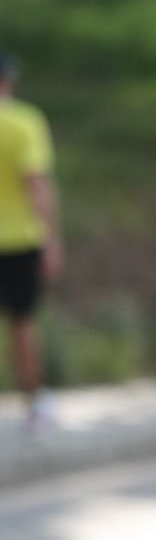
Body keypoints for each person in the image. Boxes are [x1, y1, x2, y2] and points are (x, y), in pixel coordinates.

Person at [0, 49, 64, 432]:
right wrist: (52, 238)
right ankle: (34, 405)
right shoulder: (24, 122)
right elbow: (36, 183)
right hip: (20, 239)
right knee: (23, 323)